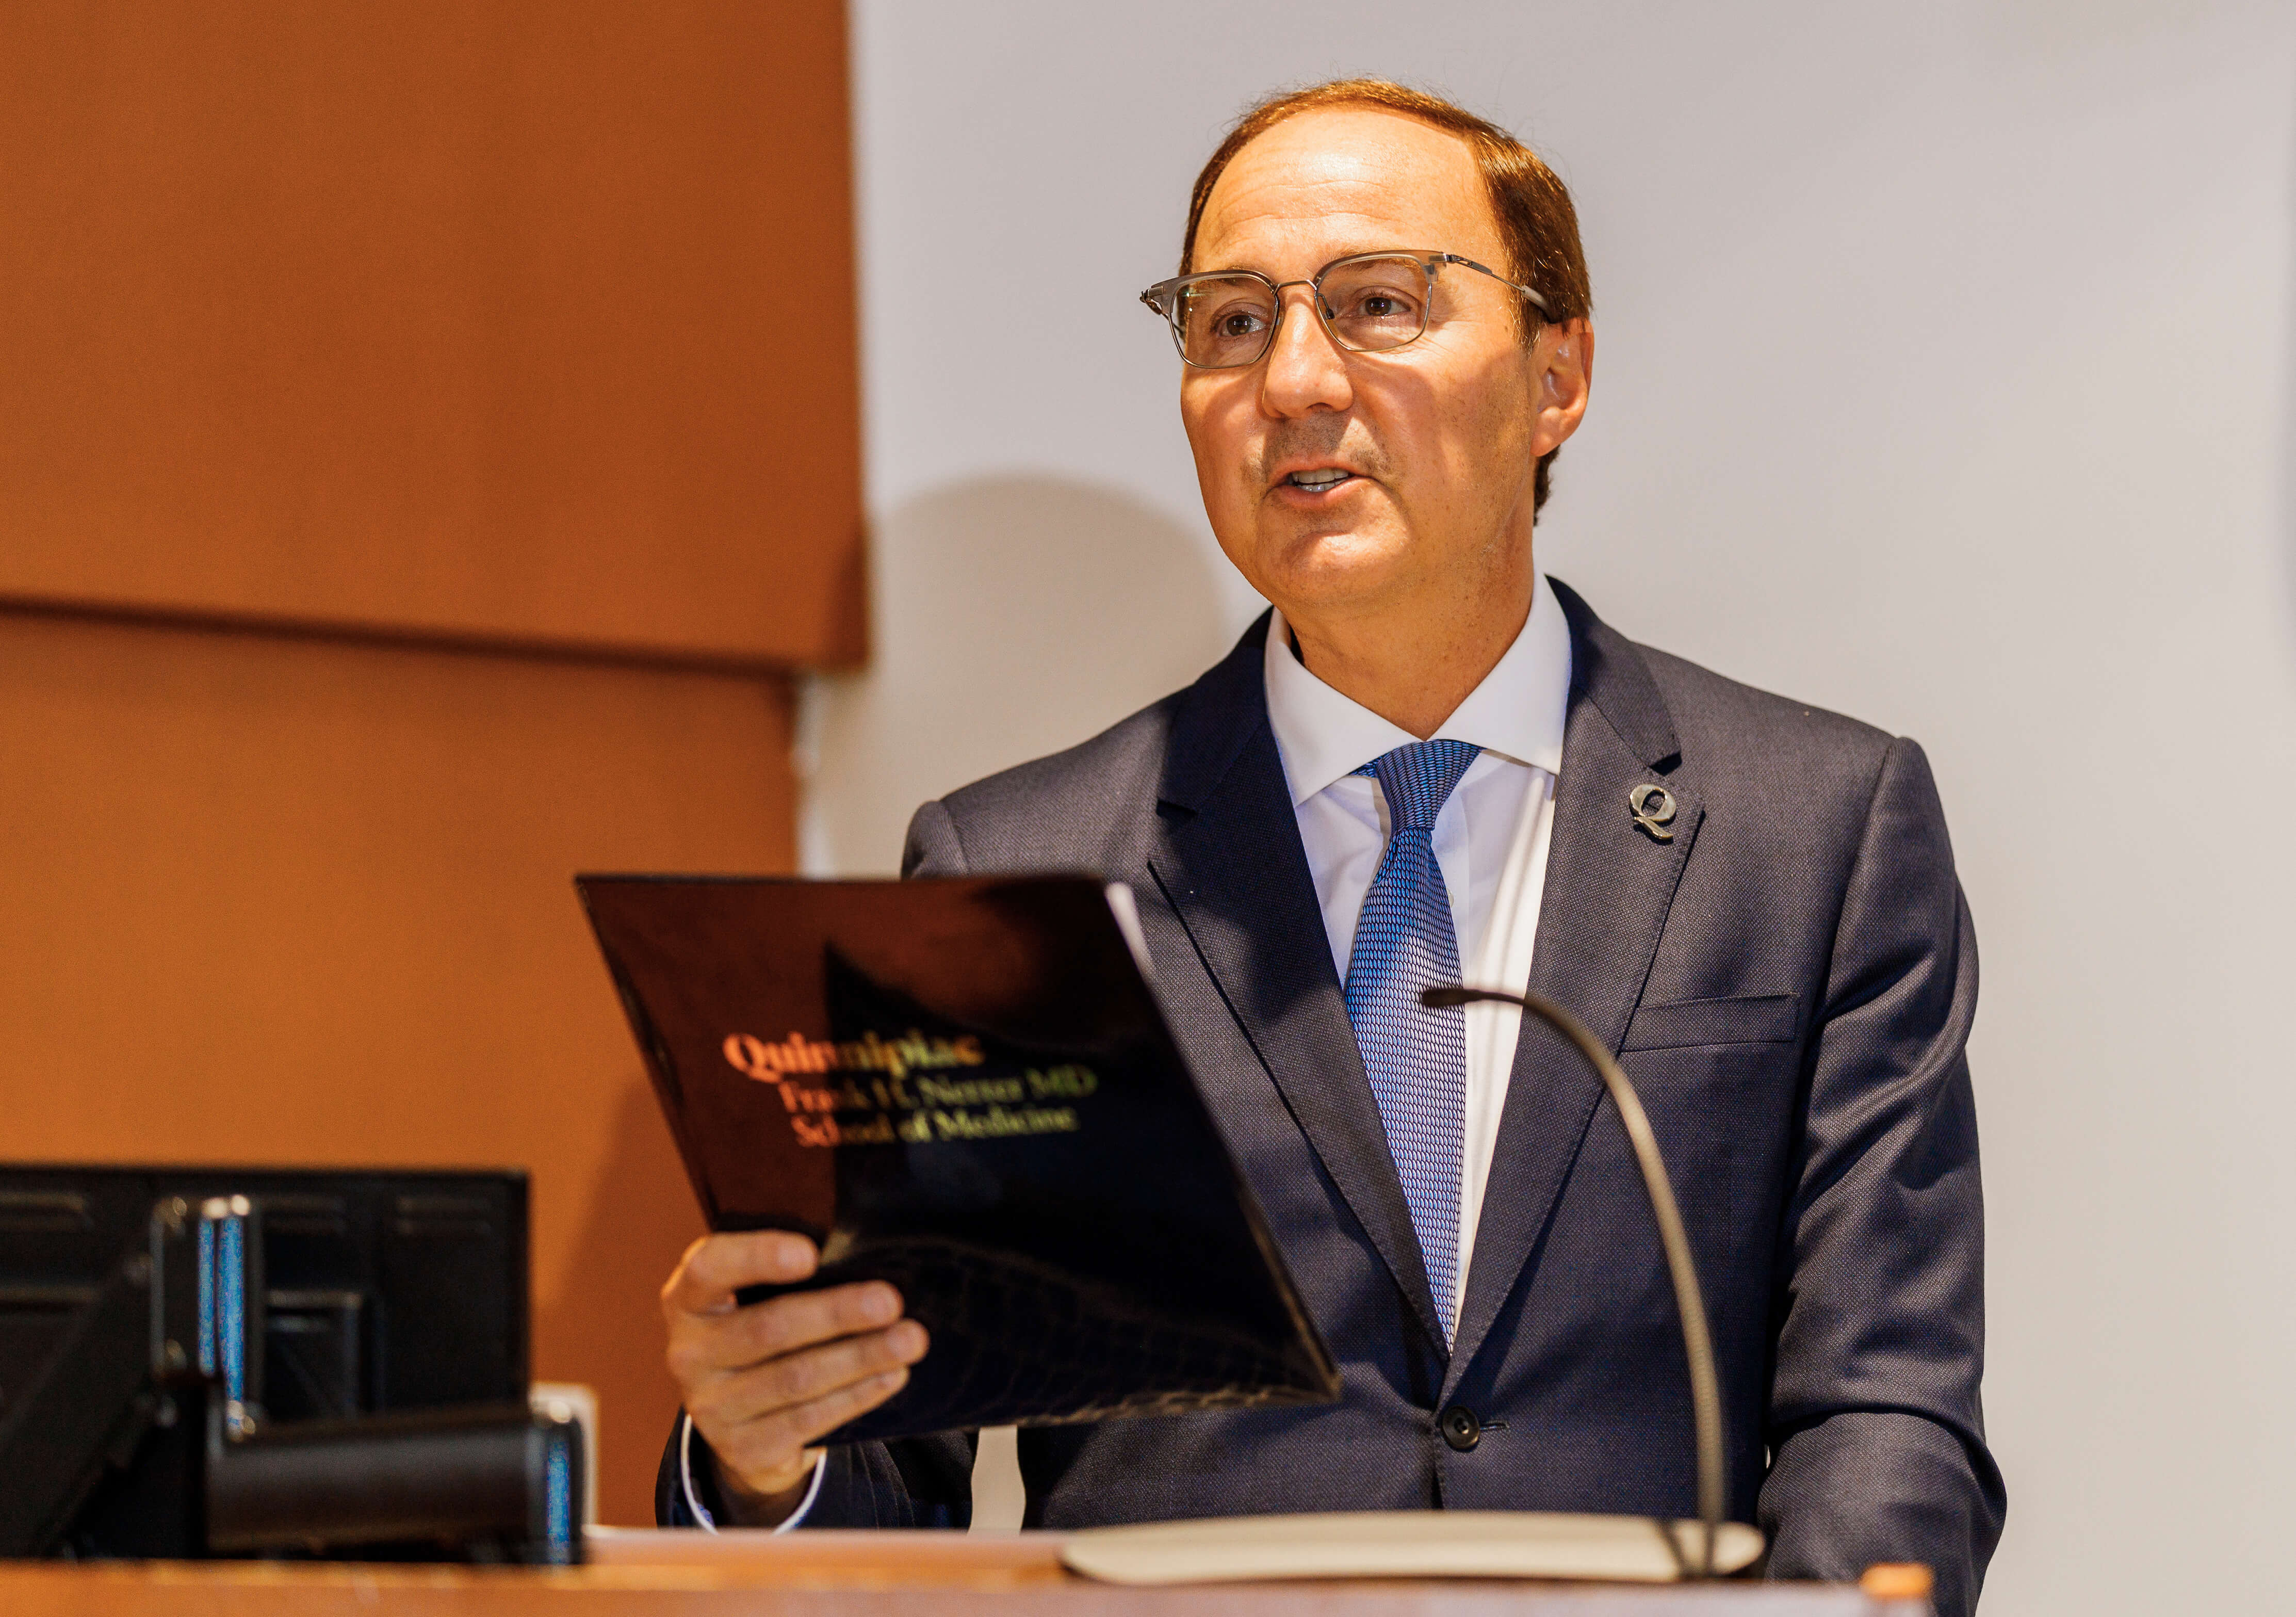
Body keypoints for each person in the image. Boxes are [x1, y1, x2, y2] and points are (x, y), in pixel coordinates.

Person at [654, 78, 2005, 1613]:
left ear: (1554, 377)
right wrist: (760, 1452)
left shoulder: (1812, 827)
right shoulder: (1013, 871)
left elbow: (1883, 1405)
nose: (1292, 378)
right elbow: (885, 1480)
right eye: (1230, 323)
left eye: (1375, 304)